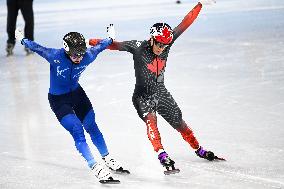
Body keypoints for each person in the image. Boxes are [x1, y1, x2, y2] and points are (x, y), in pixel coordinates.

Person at [88, 0, 222, 172]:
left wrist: (200, 4)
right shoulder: (137, 47)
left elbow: (186, 22)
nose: (161, 47)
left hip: (161, 93)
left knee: (180, 123)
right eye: (159, 44)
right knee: (152, 124)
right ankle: (162, 155)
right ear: (151, 39)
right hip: (142, 97)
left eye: (164, 45)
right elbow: (114, 45)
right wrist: (89, 41)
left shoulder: (167, 42)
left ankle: (199, 149)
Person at [14, 25, 129, 184]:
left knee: (92, 125)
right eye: (75, 54)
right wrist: (21, 39)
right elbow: (37, 48)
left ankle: (107, 158)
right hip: (59, 100)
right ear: (67, 51)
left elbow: (101, 46)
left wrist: (110, 38)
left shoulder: (88, 55)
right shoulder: (54, 55)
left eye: (81, 53)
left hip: (77, 94)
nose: (79, 58)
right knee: (77, 130)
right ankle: (95, 166)